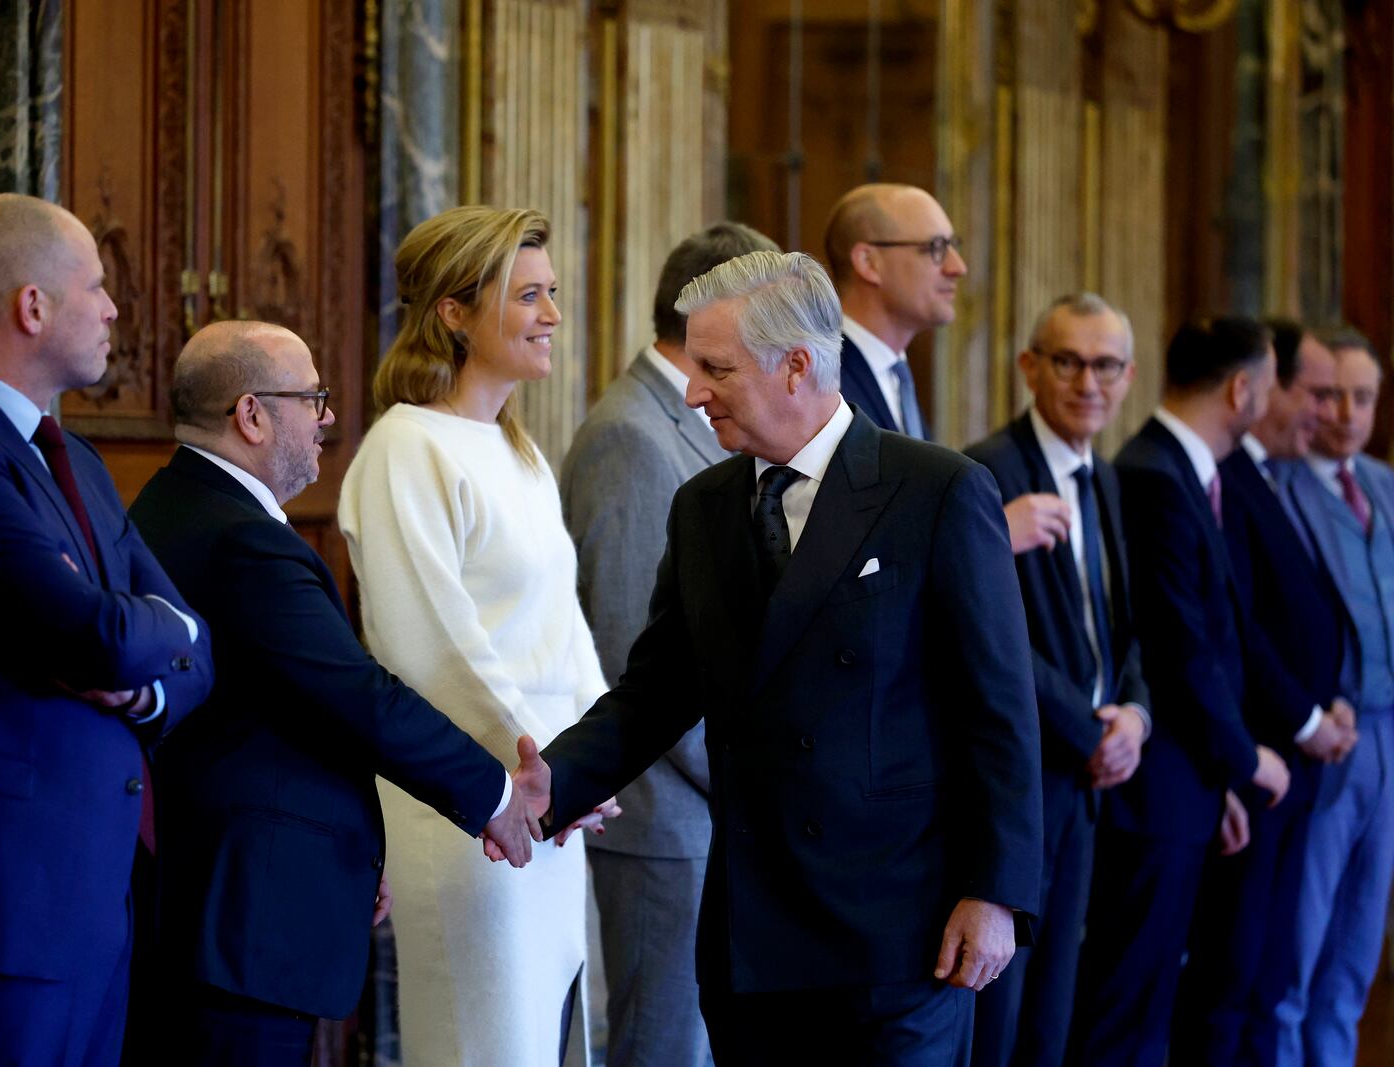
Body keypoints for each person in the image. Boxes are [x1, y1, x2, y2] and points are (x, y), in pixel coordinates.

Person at [528, 249, 1043, 1067]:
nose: (693, 392)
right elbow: (653, 694)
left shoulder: (937, 491)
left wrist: (997, 892)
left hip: (900, 939)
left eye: (715, 369)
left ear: (797, 365)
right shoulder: (703, 508)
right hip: (755, 943)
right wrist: (541, 790)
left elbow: (1001, 714)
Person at [0, 194, 215, 1067]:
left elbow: (196, 648)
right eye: (96, 288)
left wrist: (145, 674)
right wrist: (141, 631)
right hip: (5, 909)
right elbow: (90, 632)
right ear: (32, 306)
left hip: (94, 904)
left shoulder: (77, 460)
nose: (114, 309)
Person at [125, 320, 539, 1065]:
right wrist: (497, 797)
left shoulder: (171, 503)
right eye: (312, 398)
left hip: (228, 904)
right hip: (246, 918)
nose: (327, 418)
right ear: (251, 415)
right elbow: (358, 696)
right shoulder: (242, 539)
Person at [338, 206, 611, 1067]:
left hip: (545, 804)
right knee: (484, 1046)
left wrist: (593, 763)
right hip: (475, 810)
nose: (553, 316)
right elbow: (433, 644)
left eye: (553, 293)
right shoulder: (405, 447)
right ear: (454, 312)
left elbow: (564, 627)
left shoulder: (521, 451)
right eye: (529, 295)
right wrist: (529, 772)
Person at [560, 220, 776, 1067]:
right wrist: (741, 777)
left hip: (700, 813)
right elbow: (629, 645)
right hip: (664, 818)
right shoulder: (630, 434)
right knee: (660, 1048)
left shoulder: (678, 417)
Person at [1066, 317, 1292, 1067]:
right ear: (1242, 388)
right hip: (1154, 792)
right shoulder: (1156, 472)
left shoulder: (1180, 466)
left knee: (1150, 1006)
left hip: (1184, 785)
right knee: (1123, 1011)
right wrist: (1242, 759)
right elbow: (1178, 645)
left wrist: (1217, 781)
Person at [963, 293, 1151, 1067]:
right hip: (1024, 777)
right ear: (1030, 366)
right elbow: (988, 637)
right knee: (1001, 1016)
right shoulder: (984, 472)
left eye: (1105, 365)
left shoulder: (1104, 476)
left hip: (1087, 778)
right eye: (1068, 361)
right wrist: (1091, 729)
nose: (1087, 381)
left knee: (1055, 1011)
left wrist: (1135, 714)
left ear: (1127, 375)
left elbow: (1123, 625)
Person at [1169, 320, 1356, 1067]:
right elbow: (1235, 632)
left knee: (1268, 972)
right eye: (1310, 389)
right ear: (1259, 387)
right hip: (1252, 761)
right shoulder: (1219, 477)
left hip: (1287, 763)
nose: (1322, 410)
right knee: (1231, 977)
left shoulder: (1265, 475)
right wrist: (1303, 720)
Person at [1273, 329, 1394, 1067]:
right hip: (1323, 737)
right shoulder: (1279, 485)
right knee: (1298, 942)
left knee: (1358, 940)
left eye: (1365, 396)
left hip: (1387, 735)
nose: (1347, 412)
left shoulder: (1384, 484)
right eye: (1330, 394)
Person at [820, 182, 967, 439]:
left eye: (953, 245)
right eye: (936, 247)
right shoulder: (822, 381)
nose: (957, 267)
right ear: (868, 262)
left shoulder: (897, 374)